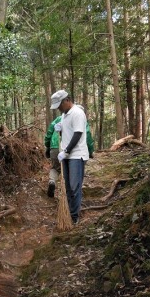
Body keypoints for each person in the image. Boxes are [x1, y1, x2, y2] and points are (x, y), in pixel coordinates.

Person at [50, 90, 89, 224]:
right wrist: (60, 129)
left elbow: (77, 135)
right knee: (67, 187)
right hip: (66, 155)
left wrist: (66, 151)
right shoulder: (64, 115)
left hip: (76, 155)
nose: (59, 108)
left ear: (66, 100)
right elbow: (67, 134)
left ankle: (74, 217)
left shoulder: (77, 113)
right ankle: (70, 213)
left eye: (59, 105)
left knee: (74, 186)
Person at [44, 105, 94, 198]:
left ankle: (52, 181)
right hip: (69, 149)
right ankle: (71, 195)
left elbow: (49, 133)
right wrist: (91, 151)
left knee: (55, 167)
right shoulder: (80, 119)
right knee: (71, 173)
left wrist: (48, 146)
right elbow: (87, 136)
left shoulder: (58, 119)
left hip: (54, 147)